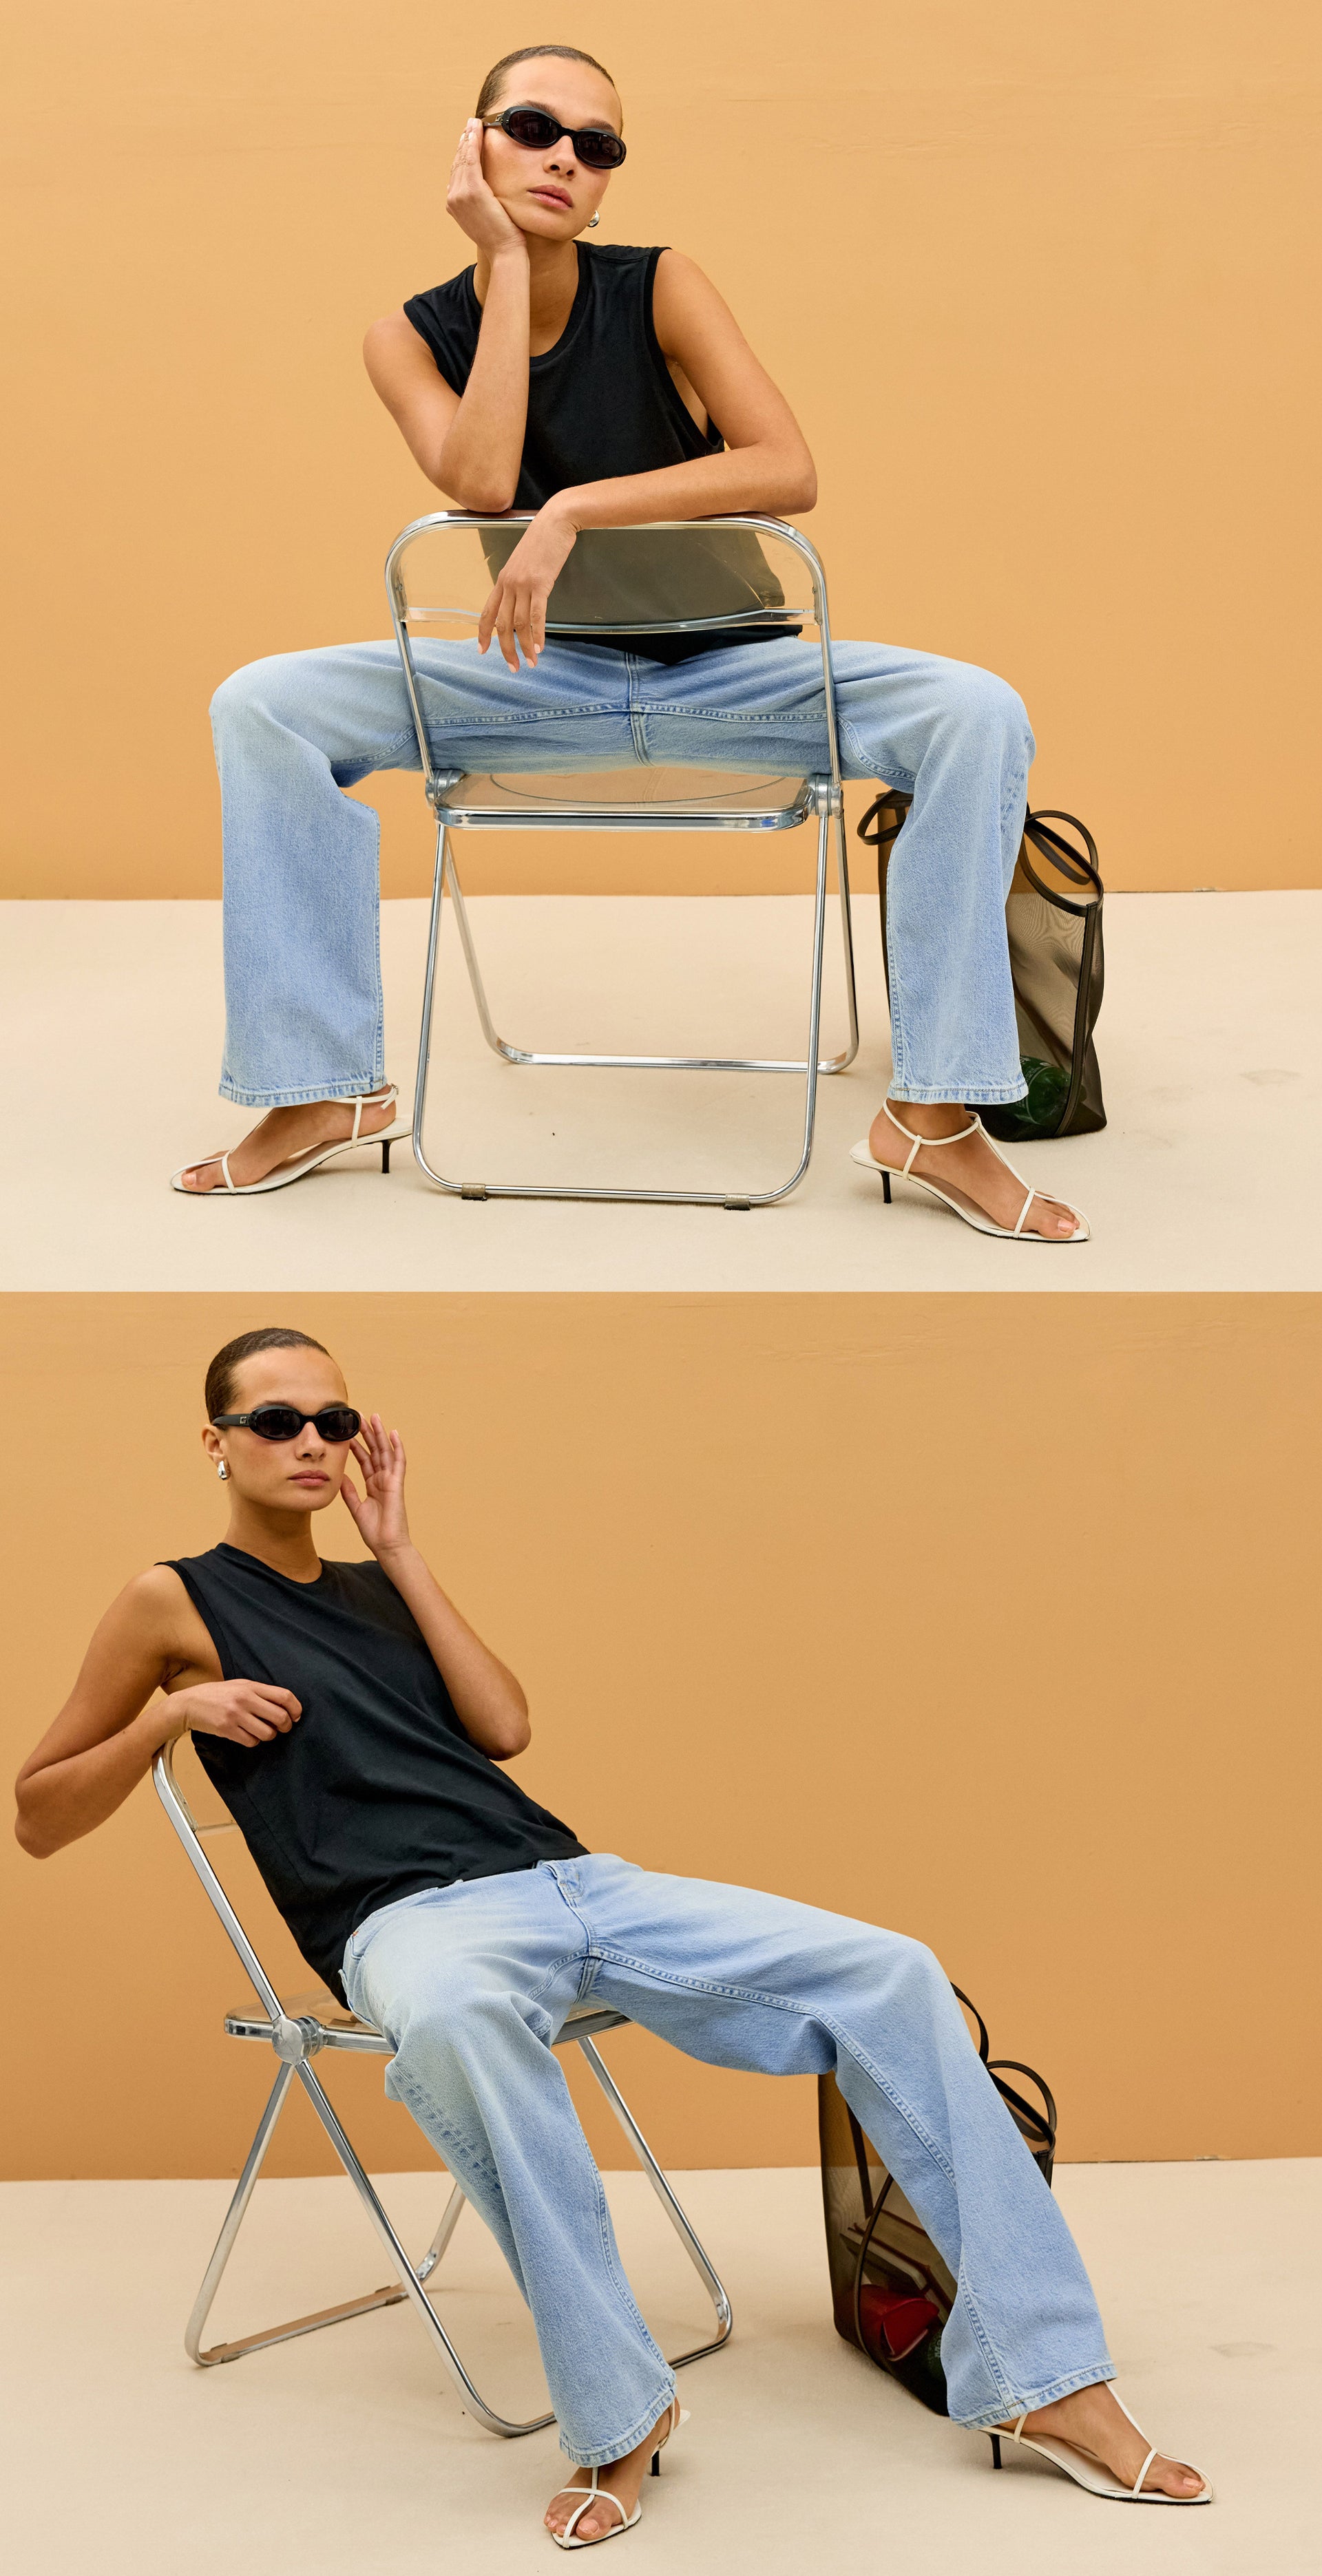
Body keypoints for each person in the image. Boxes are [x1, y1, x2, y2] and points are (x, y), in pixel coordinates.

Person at [16, 1325, 1207, 2540]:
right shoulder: (173, 1596)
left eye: (333, 1418)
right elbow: (39, 1813)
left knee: (890, 1970)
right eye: (277, 1421)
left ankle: (1050, 2382)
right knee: (463, 2020)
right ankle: (621, 2414)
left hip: (572, 1880)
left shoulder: (381, 1581)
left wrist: (405, 1554)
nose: (313, 1442)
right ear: (215, 1442)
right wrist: (173, 1712)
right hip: (408, 1926)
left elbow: (505, 1726)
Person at [176, 41, 1085, 1242]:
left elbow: (785, 468)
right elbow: (482, 474)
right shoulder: (404, 337)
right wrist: (503, 263)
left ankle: (936, 1115)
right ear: (475, 141)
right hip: (530, 681)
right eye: (534, 127)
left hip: (736, 671)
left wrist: (575, 508)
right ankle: (318, 1094)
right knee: (262, 702)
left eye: (596, 146)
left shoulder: (659, 285)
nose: (564, 157)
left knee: (977, 710)